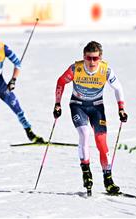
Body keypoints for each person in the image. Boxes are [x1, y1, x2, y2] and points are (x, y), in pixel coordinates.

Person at [53, 41, 128, 194]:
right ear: (84, 57)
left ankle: (108, 179)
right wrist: (57, 104)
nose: (92, 62)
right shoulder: (76, 68)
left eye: (95, 58)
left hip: (96, 107)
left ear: (100, 58)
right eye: (89, 58)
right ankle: (86, 171)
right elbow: (61, 81)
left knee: (101, 143)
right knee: (84, 133)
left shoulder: (106, 70)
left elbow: (118, 87)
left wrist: (121, 109)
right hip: (77, 105)